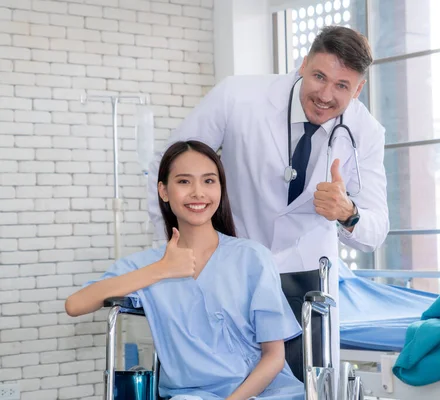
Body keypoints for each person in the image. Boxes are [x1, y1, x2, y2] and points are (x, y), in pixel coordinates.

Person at [147, 26, 389, 379]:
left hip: (306, 279)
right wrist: (171, 247)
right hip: (230, 266)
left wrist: (348, 213)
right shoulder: (238, 96)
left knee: (303, 383)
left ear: (359, 89)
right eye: (319, 76)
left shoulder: (366, 132)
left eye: (342, 86)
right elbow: (167, 166)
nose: (325, 94)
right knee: (221, 377)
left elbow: (375, 230)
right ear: (302, 65)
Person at [65, 141, 305, 400]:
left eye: (209, 181)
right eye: (184, 182)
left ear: (221, 190)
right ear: (163, 191)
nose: (198, 192)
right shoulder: (147, 265)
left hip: (265, 393)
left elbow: (274, 357)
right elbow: (75, 304)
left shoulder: (253, 258)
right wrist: (161, 270)